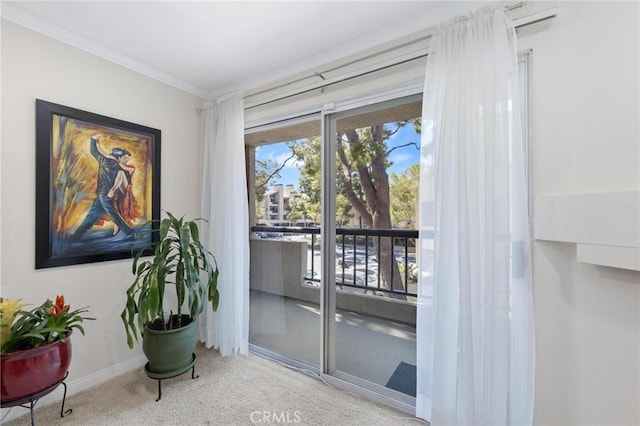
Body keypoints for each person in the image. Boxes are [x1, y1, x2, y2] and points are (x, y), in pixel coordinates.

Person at [71, 134, 138, 241]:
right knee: (105, 215)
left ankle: (75, 237)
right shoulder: (121, 166)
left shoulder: (105, 160)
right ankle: (131, 233)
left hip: (103, 194)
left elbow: (94, 151)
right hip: (107, 195)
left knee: (92, 217)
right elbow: (128, 177)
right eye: (124, 158)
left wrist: (94, 140)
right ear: (119, 157)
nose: (126, 161)